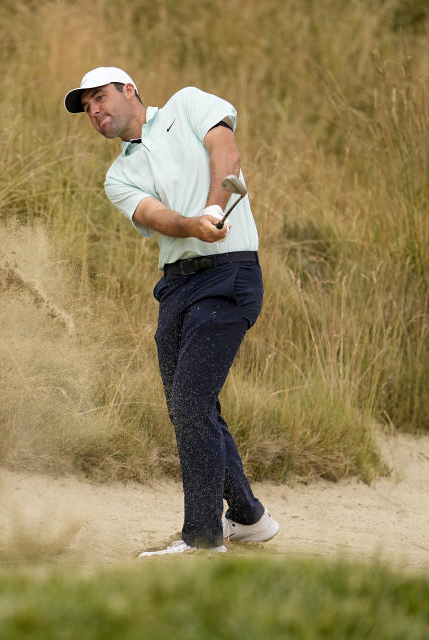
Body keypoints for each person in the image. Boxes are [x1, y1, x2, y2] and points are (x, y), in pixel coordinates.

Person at [63, 67, 280, 556]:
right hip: (177, 287)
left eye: (100, 97)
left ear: (129, 90)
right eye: (87, 108)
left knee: (189, 403)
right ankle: (248, 517)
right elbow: (154, 217)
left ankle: (203, 539)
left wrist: (214, 208)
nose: (95, 110)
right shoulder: (118, 175)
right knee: (192, 406)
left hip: (229, 274)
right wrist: (192, 224)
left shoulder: (185, 105)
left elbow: (225, 151)